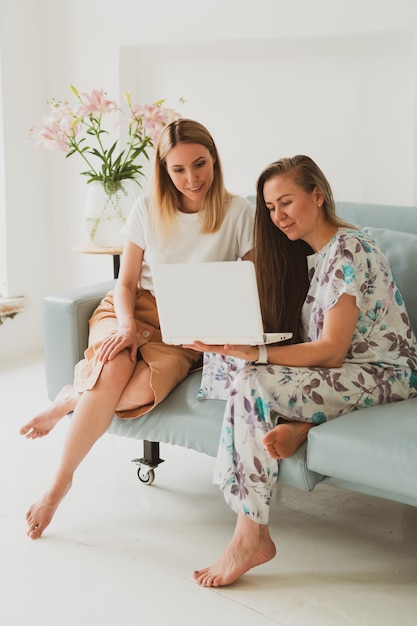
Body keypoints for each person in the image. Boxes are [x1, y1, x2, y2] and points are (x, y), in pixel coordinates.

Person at [186, 155, 417, 587]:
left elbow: (330, 353)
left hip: (387, 375)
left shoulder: (349, 248)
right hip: (351, 373)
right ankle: (300, 426)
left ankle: (250, 534)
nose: (278, 216)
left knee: (253, 376)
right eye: (271, 208)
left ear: (318, 194)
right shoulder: (320, 257)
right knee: (230, 364)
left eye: (286, 202)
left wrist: (257, 354)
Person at [20, 118, 255, 539]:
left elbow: (251, 285)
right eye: (178, 169)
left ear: (214, 159)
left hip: (185, 328)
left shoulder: (239, 213)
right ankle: (58, 486)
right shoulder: (147, 208)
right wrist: (126, 325)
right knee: (113, 368)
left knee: (137, 391)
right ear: (164, 169)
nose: (191, 178)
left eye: (199, 164)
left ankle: (69, 400)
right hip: (132, 309)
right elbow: (125, 283)